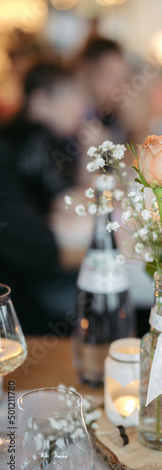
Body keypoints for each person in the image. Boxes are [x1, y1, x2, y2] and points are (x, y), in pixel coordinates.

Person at [0, 63, 86, 334]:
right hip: (28, 282)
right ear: (39, 101)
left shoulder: (29, 137)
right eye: (69, 97)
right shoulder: (33, 138)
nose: (78, 107)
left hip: (27, 265)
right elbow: (65, 201)